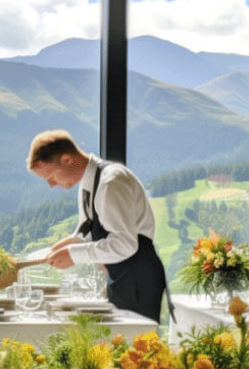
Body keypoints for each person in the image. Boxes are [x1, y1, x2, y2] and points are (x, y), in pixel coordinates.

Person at [26, 129, 172, 322]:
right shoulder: (88, 184)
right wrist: (51, 252)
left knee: (136, 345)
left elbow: (125, 244)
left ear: (68, 160)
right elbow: (86, 232)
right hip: (120, 276)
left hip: (137, 277)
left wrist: (73, 255)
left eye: (51, 176)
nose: (51, 185)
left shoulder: (111, 182)